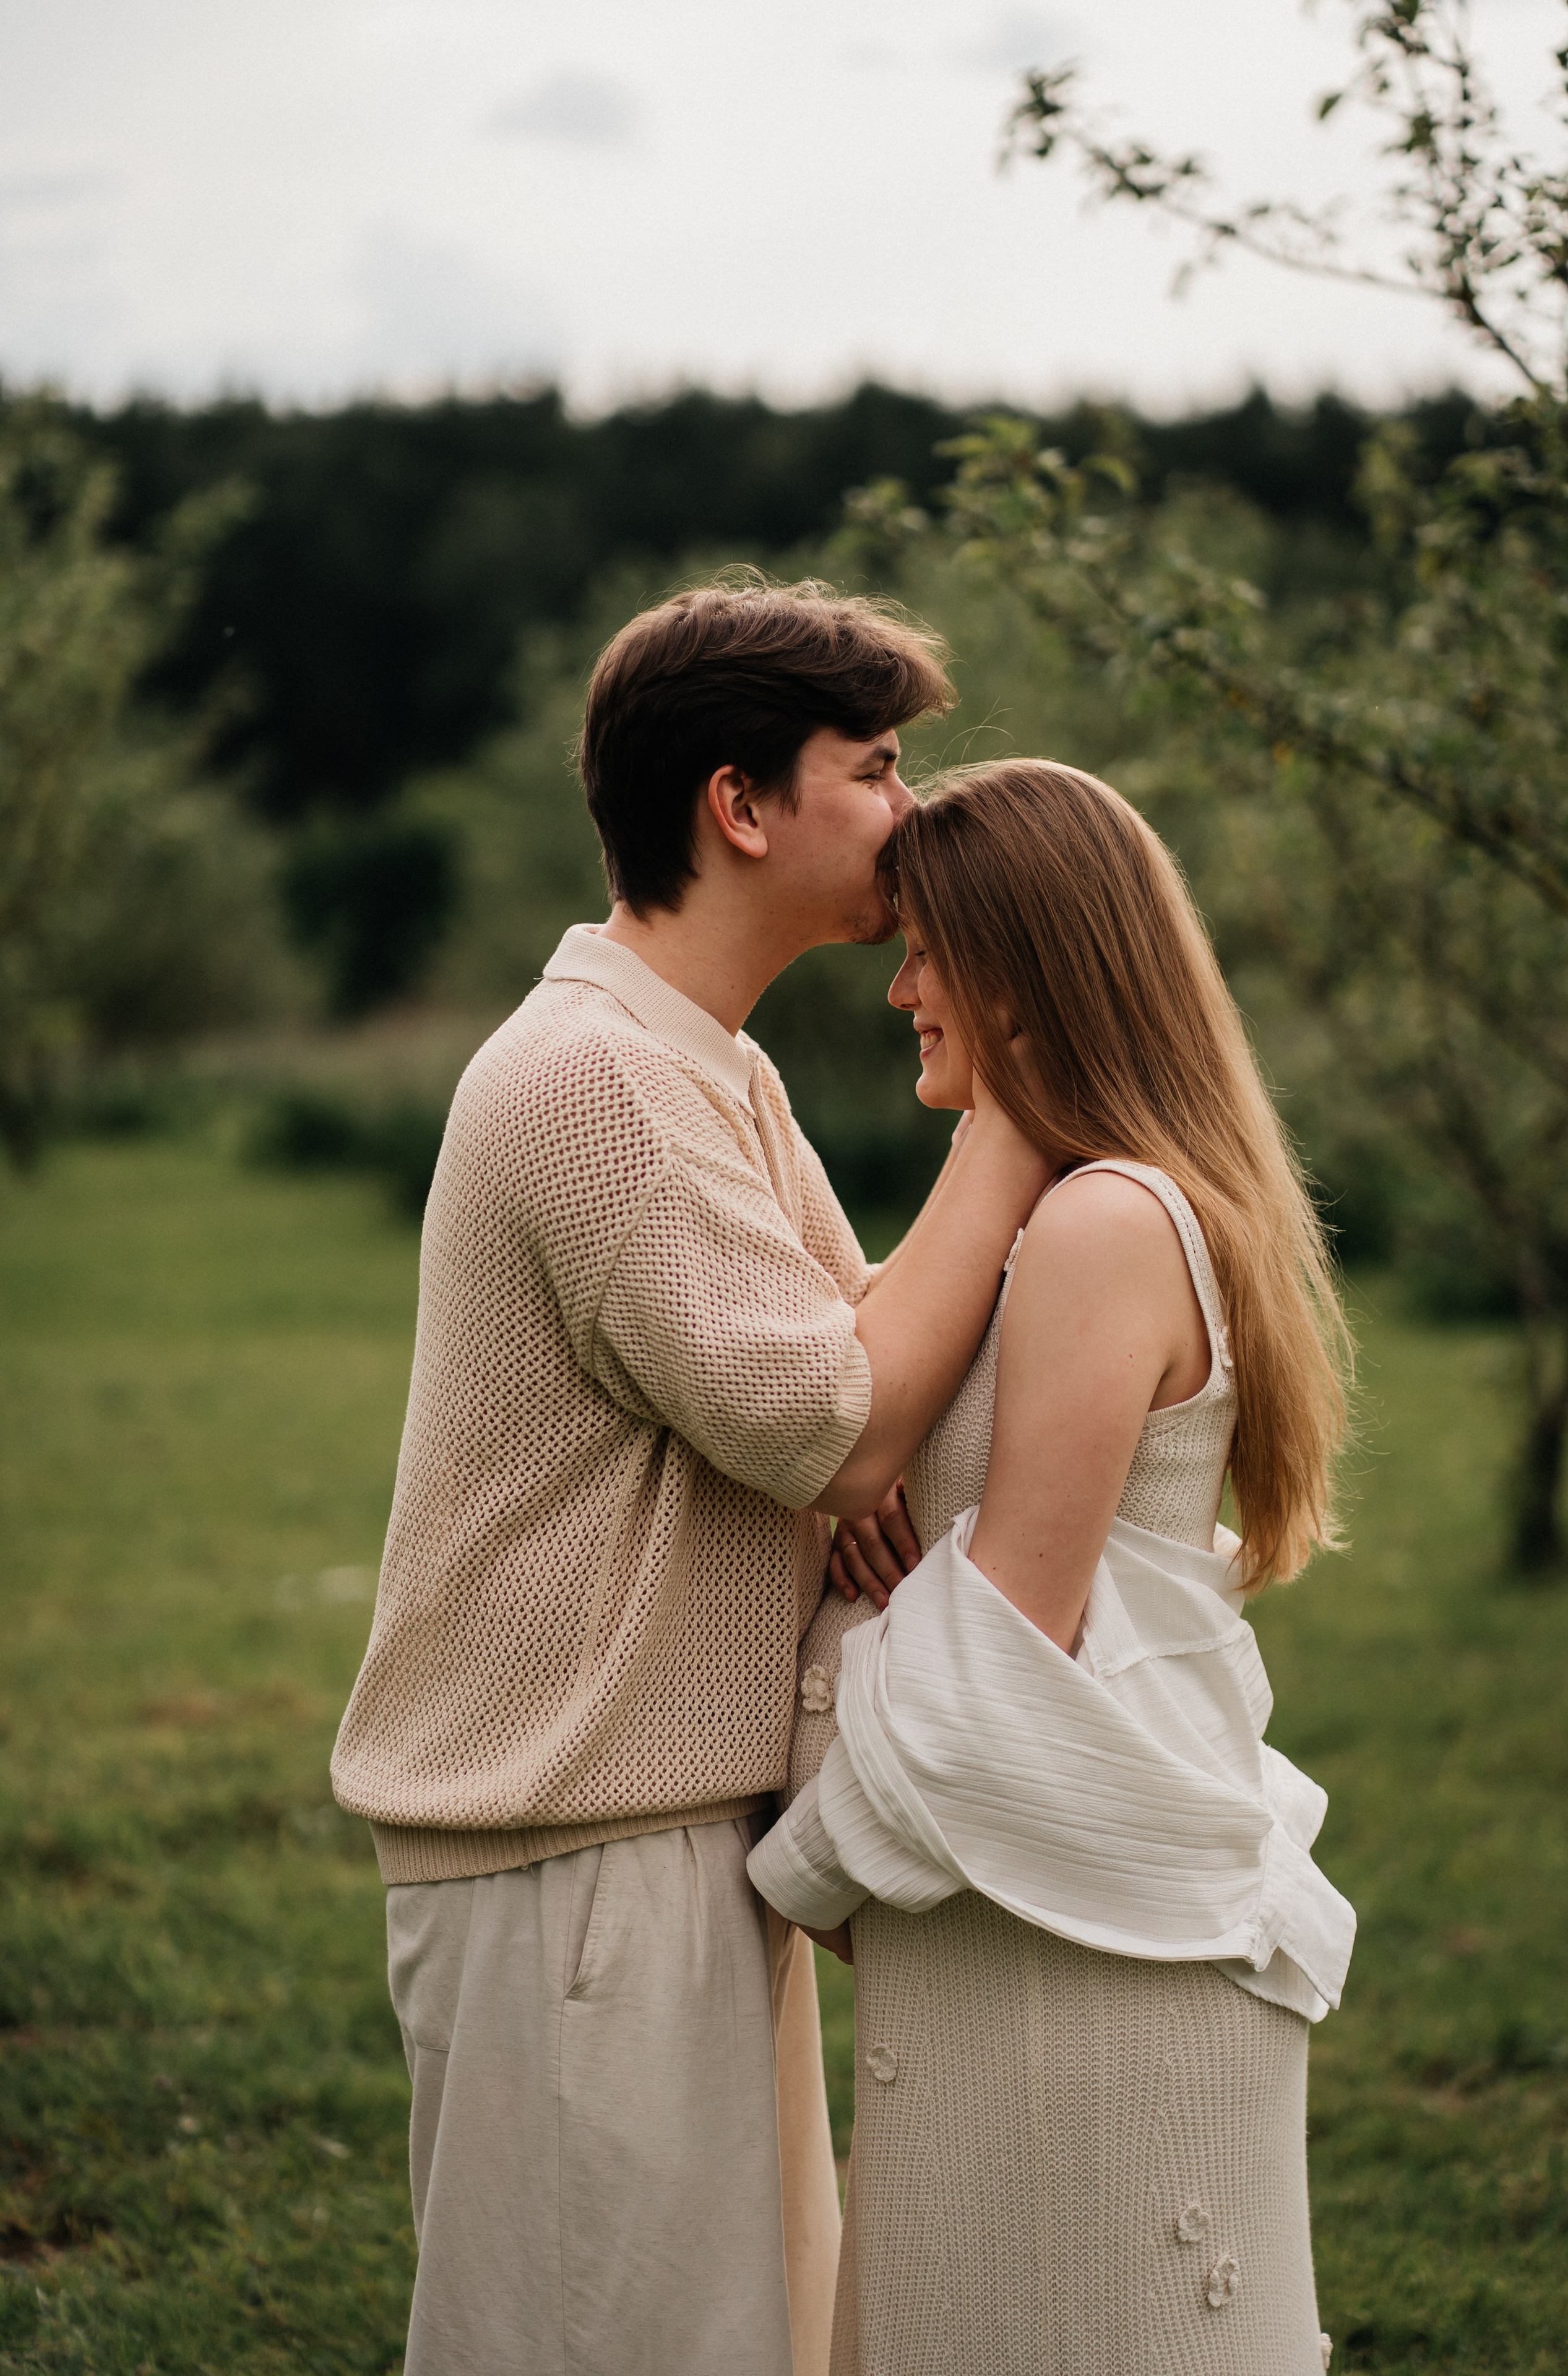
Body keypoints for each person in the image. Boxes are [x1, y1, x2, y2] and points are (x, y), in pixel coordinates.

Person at [329, 581, 1051, 2376]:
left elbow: (853, 1359)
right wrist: (1027, 1110)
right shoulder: (592, 1087)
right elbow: (840, 1421)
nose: (912, 809)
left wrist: (839, 1418)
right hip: (573, 1845)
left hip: (659, 1831)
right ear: (740, 804)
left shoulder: (706, 1074)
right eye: (877, 769)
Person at [750, 759, 1358, 2376]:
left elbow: (997, 1667)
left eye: (934, 950)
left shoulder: (1103, 1226)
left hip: (1072, 1990)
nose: (901, 987)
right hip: (1025, 1949)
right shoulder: (1098, 1209)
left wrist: (854, 1652)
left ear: (1022, 967)